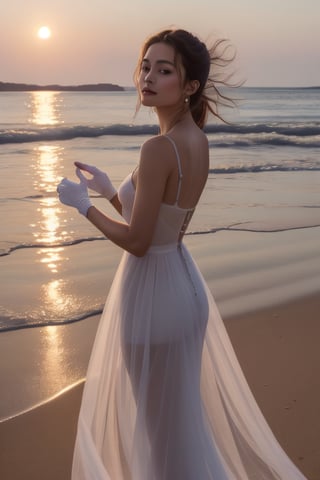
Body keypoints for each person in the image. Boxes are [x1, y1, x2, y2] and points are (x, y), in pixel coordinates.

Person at [57, 29, 307, 480]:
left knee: (160, 434)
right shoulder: (197, 140)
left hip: (153, 297)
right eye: (146, 66)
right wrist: (114, 193)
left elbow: (137, 242)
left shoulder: (158, 148)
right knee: (179, 432)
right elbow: (161, 227)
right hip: (182, 288)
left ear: (190, 86)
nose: (148, 77)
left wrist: (83, 208)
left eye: (164, 70)